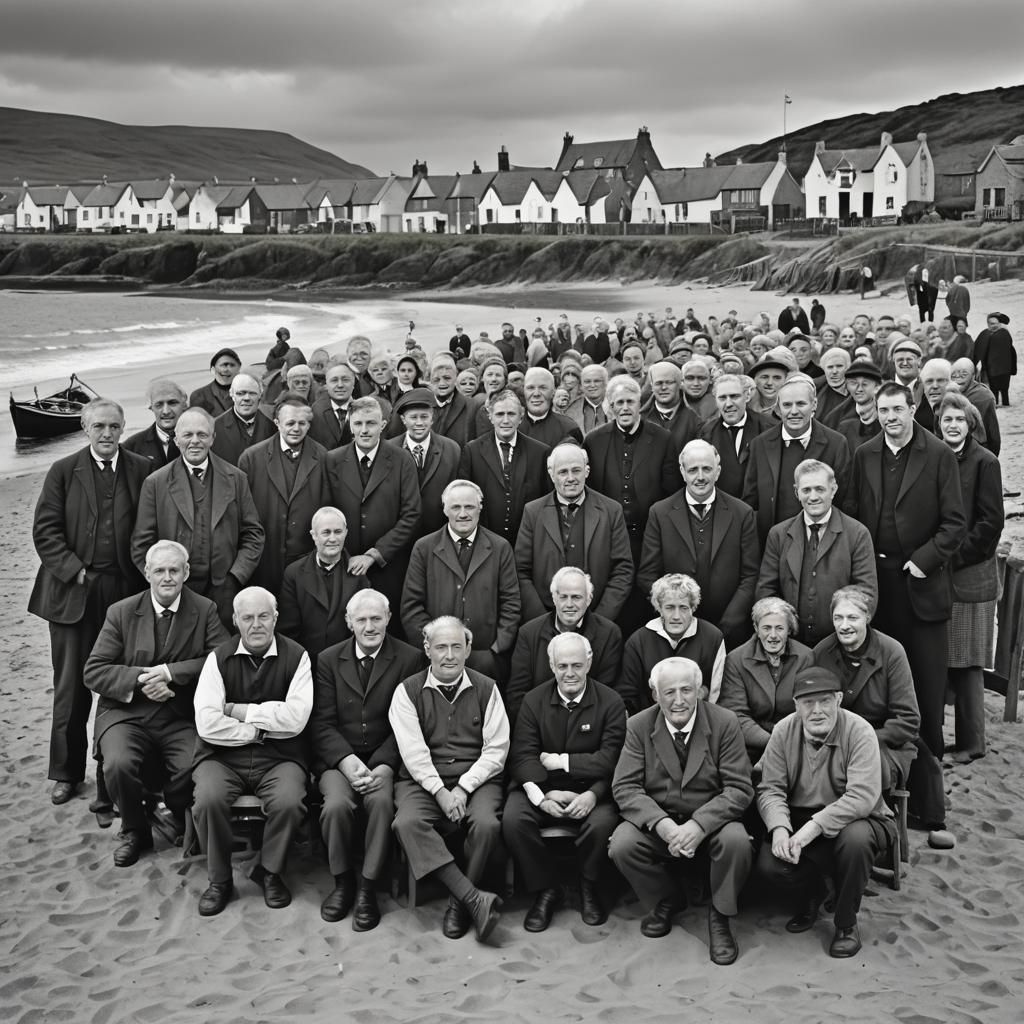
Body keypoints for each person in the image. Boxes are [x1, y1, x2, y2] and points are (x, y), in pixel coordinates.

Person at [846, 382, 965, 838]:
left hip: (923, 586)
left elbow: (956, 522)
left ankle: (931, 808)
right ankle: (885, 796)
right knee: (882, 693)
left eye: (898, 408)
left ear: (913, 408)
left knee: (926, 694)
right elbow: (854, 511)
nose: (890, 417)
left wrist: (925, 560)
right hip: (879, 588)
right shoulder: (864, 454)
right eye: (882, 410)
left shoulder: (937, 454)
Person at [28, 398, 149, 805]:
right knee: (71, 687)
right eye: (98, 426)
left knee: (121, 684)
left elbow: (147, 527)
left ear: (122, 427)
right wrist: (73, 569)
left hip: (123, 592)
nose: (107, 434)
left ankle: (114, 772)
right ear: (85, 428)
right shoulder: (63, 471)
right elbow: (45, 531)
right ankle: (66, 772)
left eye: (114, 426)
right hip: (72, 593)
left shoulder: (139, 468)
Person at [83, 541, 227, 866]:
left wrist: (170, 674)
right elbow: (93, 671)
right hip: (126, 714)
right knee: (117, 764)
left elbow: (221, 661)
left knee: (199, 765)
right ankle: (135, 831)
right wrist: (141, 681)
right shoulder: (121, 612)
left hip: (178, 714)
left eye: (174, 570)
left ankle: (172, 810)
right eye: (159, 570)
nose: (167, 578)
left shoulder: (205, 610)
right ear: (146, 572)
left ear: (186, 572)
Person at [610, 658, 753, 964]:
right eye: (669, 692)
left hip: (711, 822)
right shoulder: (638, 725)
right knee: (622, 844)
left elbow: (740, 789)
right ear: (655, 696)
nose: (678, 700)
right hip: (662, 822)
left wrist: (699, 825)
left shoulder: (725, 721)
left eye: (686, 690)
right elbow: (625, 788)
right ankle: (666, 900)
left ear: (700, 691)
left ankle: (720, 915)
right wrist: (662, 824)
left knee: (737, 841)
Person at [756, 667, 896, 959]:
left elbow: (862, 797)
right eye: (808, 702)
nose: (817, 710)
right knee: (770, 865)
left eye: (825, 701)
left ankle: (846, 924)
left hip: (861, 819)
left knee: (855, 841)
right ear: (796, 705)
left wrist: (810, 829)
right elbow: (770, 788)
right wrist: (780, 828)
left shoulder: (859, 730)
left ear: (839, 700)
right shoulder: (783, 730)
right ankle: (813, 892)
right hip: (800, 816)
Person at [191, 587, 313, 916]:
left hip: (279, 759)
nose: (256, 624)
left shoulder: (297, 656)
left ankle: (269, 872)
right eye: (248, 618)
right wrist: (259, 731)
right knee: (208, 800)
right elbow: (207, 723)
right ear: (235, 621)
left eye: (263, 617)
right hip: (222, 758)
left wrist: (241, 712)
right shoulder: (218, 658)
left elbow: (296, 719)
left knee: (289, 801)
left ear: (275, 618)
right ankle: (219, 881)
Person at [389, 616, 509, 941]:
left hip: (477, 779)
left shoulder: (487, 688)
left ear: (469, 649)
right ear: (427, 649)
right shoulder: (407, 692)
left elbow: (496, 750)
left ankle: (458, 905)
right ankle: (472, 898)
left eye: (457, 646)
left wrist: (465, 787)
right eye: (441, 647)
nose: (449, 655)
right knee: (407, 823)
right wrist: (441, 791)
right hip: (424, 780)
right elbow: (413, 753)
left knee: (486, 825)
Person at [311, 590, 424, 929]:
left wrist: (384, 763)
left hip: (385, 756)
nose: (369, 626)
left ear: (388, 619)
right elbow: (321, 722)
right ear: (349, 623)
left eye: (376, 618)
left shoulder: (409, 658)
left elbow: (409, 722)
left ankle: (368, 887)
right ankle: (343, 881)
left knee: (380, 804)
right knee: (335, 806)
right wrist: (345, 761)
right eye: (361, 619)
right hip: (339, 759)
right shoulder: (329, 659)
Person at [503, 632, 626, 931]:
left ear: (589, 663)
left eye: (576, 665)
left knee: (601, 824)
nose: (569, 673)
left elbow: (611, 760)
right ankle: (546, 888)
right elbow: (522, 755)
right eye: (562, 666)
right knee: (513, 820)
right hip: (542, 786)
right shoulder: (533, 700)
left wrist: (593, 795)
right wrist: (543, 796)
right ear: (551, 665)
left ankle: (588, 884)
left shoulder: (610, 702)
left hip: (594, 789)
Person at [131, 407, 264, 630]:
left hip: (224, 590)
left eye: (202, 435)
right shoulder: (156, 483)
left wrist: (236, 576)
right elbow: (141, 544)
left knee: (221, 653)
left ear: (213, 438)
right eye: (187, 435)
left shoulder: (236, 478)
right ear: (176, 439)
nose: (195, 441)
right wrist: (166, 581)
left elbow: (253, 534)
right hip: (178, 592)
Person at [637, 440, 759, 649]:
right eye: (693, 470)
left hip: (729, 632)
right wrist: (676, 614)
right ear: (682, 472)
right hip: (676, 631)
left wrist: (729, 622)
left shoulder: (742, 513)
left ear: (718, 471)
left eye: (707, 469)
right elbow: (648, 575)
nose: (700, 477)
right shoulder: (660, 513)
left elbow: (751, 576)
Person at [937, 390, 1004, 762]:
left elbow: (991, 521)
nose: (953, 425)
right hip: (944, 572)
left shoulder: (984, 461)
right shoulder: (937, 458)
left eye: (959, 419)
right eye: (947, 419)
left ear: (972, 423)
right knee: (949, 659)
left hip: (971, 573)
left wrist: (954, 556)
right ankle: (957, 738)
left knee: (968, 663)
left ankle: (972, 743)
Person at [812, 586, 922, 811]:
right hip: (831, 739)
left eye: (852, 617)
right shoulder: (821, 652)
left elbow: (908, 720)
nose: (844, 626)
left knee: (863, 770)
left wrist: (863, 739)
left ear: (867, 618)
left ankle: (872, 827)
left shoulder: (892, 651)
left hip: (882, 743)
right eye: (838, 618)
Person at [401, 479, 520, 678]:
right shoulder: (424, 548)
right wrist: (433, 647)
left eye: (469, 507)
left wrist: (497, 648)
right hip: (438, 660)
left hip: (486, 658)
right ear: (445, 510)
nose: (463, 514)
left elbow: (511, 603)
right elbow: (411, 606)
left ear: (479, 509)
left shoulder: (500, 547)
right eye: (456, 507)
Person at [756, 459, 877, 647]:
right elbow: (766, 591)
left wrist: (845, 629)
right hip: (791, 646)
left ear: (833, 489)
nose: (813, 497)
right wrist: (781, 631)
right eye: (806, 490)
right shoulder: (778, 534)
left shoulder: (857, 533)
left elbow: (866, 593)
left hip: (840, 645)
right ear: (797, 492)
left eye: (820, 489)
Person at [324, 397, 422, 620]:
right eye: (358, 424)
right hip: (344, 564)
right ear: (350, 425)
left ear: (383, 425)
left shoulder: (402, 459)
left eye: (371, 423)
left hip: (389, 565)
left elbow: (412, 514)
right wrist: (342, 554)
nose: (365, 430)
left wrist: (375, 554)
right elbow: (326, 512)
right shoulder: (332, 460)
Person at [515, 443, 634, 622]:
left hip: (597, 618)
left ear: (586, 472)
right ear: (551, 474)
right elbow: (521, 571)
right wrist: (542, 621)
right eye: (563, 472)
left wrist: (600, 620)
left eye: (576, 470)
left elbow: (623, 570)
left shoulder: (611, 511)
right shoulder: (533, 512)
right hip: (545, 618)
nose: (570, 478)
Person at [238, 393, 329, 596]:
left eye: (302, 423)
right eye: (290, 423)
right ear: (277, 423)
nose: (296, 429)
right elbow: (241, 513)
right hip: (264, 558)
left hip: (305, 558)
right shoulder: (252, 458)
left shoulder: (323, 457)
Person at [743, 375, 851, 544]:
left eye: (801, 404)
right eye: (787, 405)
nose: (794, 411)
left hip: (821, 543)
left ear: (814, 405)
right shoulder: (760, 444)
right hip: (773, 544)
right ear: (778, 408)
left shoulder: (836, 443)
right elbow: (751, 501)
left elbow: (845, 500)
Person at [505, 566, 622, 723]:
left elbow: (607, 694)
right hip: (539, 726)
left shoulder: (609, 634)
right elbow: (517, 695)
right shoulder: (529, 633)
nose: (569, 604)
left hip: (589, 727)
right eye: (563, 597)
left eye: (576, 597)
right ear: (554, 598)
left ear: (589, 598)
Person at [583, 375, 681, 562]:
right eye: (619, 402)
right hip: (607, 537)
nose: (625, 408)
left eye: (631, 401)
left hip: (650, 536)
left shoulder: (663, 439)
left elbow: (672, 490)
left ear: (640, 404)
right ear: (611, 407)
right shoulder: (594, 441)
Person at [719, 597, 814, 763]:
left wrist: (789, 740)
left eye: (779, 628)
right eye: (766, 628)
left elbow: (809, 707)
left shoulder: (806, 657)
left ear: (789, 630)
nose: (773, 636)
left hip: (796, 741)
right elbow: (736, 714)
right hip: (752, 743)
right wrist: (773, 742)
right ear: (756, 628)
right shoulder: (736, 660)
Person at [457, 390, 551, 544]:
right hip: (484, 541)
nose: (506, 420)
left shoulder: (540, 453)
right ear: (490, 417)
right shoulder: (472, 451)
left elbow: (546, 501)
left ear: (521, 417)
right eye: (500, 414)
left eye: (511, 414)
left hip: (528, 539)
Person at [621, 573, 726, 713]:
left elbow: (717, 693)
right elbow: (628, 694)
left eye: (683, 608)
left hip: (700, 720)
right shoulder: (638, 641)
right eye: (669, 607)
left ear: (693, 608)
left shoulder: (712, 637)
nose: (676, 616)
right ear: (659, 608)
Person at [277, 507, 367, 667]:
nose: (332, 538)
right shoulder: (294, 573)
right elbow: (288, 630)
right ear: (314, 535)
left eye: (338, 532)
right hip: (306, 663)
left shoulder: (358, 573)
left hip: (347, 664)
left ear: (346, 533)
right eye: (326, 532)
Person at [387, 387, 461, 536]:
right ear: (403, 420)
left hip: (439, 534)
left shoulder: (451, 449)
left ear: (432, 418)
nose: (419, 423)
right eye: (413, 417)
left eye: (424, 417)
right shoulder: (388, 450)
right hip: (398, 535)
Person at [699, 373, 771, 498]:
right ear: (715, 400)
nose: (728, 404)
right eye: (722, 398)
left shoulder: (768, 428)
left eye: (734, 396)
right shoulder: (707, 433)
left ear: (747, 396)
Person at [210, 373, 276, 466]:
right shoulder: (214, 428)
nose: (246, 398)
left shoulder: (273, 427)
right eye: (241, 393)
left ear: (260, 394)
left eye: (252, 393)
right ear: (231, 394)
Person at [122, 378, 186, 470]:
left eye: (172, 403)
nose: (166, 411)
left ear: (184, 405)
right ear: (151, 407)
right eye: (159, 405)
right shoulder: (131, 448)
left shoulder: (203, 440)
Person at [641, 360, 703, 452]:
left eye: (669, 382)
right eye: (658, 383)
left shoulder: (694, 421)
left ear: (679, 384)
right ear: (652, 386)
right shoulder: (640, 419)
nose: (664, 387)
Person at [518, 367, 583, 448]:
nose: (536, 394)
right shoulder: (512, 426)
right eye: (530, 388)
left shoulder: (568, 428)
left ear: (553, 392)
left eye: (543, 388)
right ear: (524, 391)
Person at [949, 357, 1000, 456]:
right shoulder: (948, 394)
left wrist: (992, 458)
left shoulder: (984, 397)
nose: (958, 378)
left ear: (973, 376)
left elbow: (993, 434)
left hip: (977, 451)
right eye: (954, 375)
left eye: (964, 374)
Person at [427, 353, 480, 448]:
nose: (442, 383)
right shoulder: (420, 404)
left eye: (447, 378)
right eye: (436, 379)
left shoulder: (472, 407)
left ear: (456, 378)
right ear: (430, 380)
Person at [836, 359, 884, 456]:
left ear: (877, 387)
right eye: (854, 384)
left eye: (865, 384)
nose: (859, 389)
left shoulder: (886, 416)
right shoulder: (841, 419)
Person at [309, 361, 357, 450]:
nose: (340, 385)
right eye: (334, 380)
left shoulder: (363, 410)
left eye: (345, 380)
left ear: (353, 383)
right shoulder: (315, 413)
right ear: (326, 385)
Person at [973, 312, 1016, 406]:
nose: (992, 326)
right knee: (994, 388)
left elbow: (1010, 350)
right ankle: (995, 402)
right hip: (992, 367)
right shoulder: (985, 334)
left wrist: (1012, 366)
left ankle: (1005, 402)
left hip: (1004, 367)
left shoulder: (1004, 334)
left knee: (1004, 387)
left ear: (999, 324)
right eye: (990, 323)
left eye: (995, 324)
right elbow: (978, 348)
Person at [190, 348, 242, 417]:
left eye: (232, 365)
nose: (227, 370)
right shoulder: (199, 395)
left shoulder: (248, 393)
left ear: (239, 369)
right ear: (213, 370)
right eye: (223, 365)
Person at [814, 349, 853, 428]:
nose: (834, 371)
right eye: (830, 367)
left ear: (847, 368)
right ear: (824, 370)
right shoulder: (815, 392)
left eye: (839, 366)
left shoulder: (857, 392)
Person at [566, 365, 610, 435]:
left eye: (597, 381)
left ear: (606, 383)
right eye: (587, 382)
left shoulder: (616, 405)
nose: (592, 385)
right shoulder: (570, 411)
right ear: (581, 385)